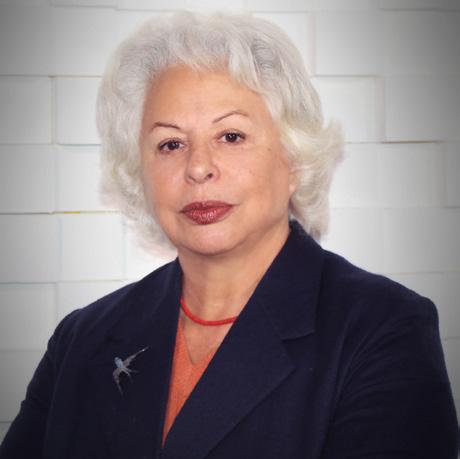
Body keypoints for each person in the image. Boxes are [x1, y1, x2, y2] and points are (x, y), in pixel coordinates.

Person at [0, 11, 458, 459]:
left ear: (294, 158)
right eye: (170, 144)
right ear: (140, 171)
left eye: (231, 136)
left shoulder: (383, 329)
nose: (198, 167)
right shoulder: (81, 339)